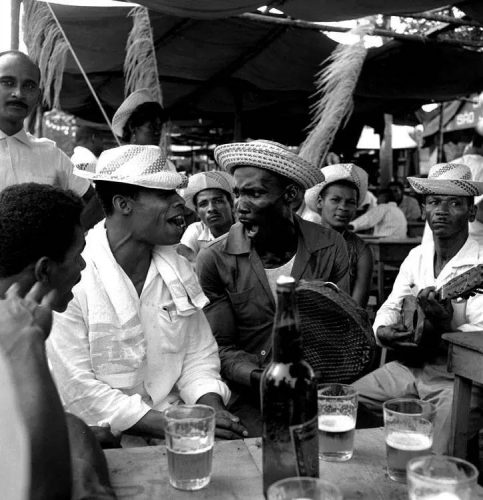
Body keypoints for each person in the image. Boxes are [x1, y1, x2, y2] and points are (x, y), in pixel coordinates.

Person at [47, 145, 246, 442]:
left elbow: (199, 355)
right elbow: (77, 388)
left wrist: (209, 406)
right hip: (105, 438)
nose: (181, 204)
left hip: (182, 423)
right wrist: (172, 424)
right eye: (165, 195)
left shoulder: (178, 270)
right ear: (123, 204)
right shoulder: (74, 279)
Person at [197, 139, 350, 435]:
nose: (240, 206)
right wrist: (261, 377)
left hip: (315, 389)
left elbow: (338, 331)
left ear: (291, 196)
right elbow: (221, 349)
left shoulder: (331, 246)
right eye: (237, 193)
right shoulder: (214, 259)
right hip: (248, 395)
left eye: (254, 193)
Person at [353, 162, 483, 454]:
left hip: (459, 381)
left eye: (455, 204)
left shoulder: (480, 263)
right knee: (344, 405)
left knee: (435, 455)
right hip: (409, 368)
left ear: (472, 212)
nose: (442, 210)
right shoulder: (417, 256)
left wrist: (446, 326)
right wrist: (384, 331)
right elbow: (389, 306)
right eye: (434, 202)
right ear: (425, 209)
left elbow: (479, 338)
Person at [0, 183, 115, 499]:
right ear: (44, 270)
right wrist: (29, 344)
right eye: (78, 255)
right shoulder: (18, 332)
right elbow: (41, 490)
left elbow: (63, 423)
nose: (82, 265)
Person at [0, 50, 100, 228]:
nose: (19, 93)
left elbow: (96, 204)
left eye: (29, 86)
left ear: (38, 97)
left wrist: (63, 241)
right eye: (7, 82)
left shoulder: (51, 155)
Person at [305, 163, 373, 307]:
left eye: (350, 202)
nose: (343, 207)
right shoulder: (303, 240)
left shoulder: (361, 251)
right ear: (319, 202)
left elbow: (357, 308)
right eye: (335, 200)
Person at [179, 170, 235, 261]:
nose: (211, 209)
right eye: (203, 204)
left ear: (231, 204)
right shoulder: (197, 230)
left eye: (218, 201)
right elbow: (183, 258)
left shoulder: (245, 229)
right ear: (197, 211)